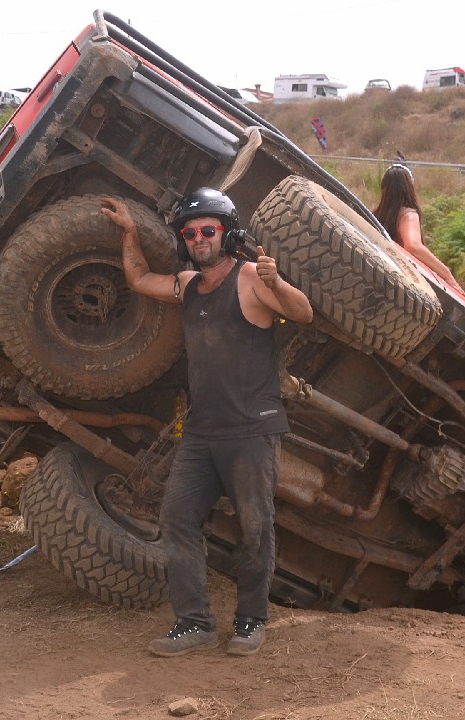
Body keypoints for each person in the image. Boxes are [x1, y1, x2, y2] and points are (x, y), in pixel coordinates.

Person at [101, 189, 313, 658]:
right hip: (201, 433)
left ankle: (251, 621)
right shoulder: (188, 285)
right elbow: (139, 279)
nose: (198, 238)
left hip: (252, 430)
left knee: (255, 527)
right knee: (177, 518)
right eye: (190, 232)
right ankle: (193, 622)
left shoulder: (251, 277)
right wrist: (131, 232)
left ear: (227, 233)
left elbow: (303, 313)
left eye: (208, 230)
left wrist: (277, 283)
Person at [371, 164, 465, 293]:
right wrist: (447, 275)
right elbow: (413, 246)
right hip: (399, 287)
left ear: (384, 188)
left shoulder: (374, 216)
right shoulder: (407, 215)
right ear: (409, 188)